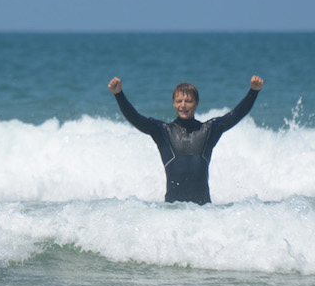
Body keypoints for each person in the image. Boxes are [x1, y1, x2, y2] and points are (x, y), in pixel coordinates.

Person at [107, 76, 264, 205]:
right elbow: (136, 118)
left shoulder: (209, 130)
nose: (183, 105)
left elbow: (235, 115)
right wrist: (118, 94)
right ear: (174, 104)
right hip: (173, 213)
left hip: (204, 213)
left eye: (188, 101)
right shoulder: (163, 131)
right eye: (179, 101)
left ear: (196, 103)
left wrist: (253, 92)